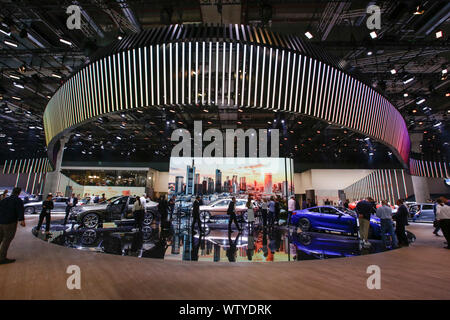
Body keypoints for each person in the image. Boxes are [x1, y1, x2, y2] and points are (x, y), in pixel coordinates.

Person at [0, 187, 25, 265]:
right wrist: (22, 220)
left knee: (0, 238)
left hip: (1, 221)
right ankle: (2, 258)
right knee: (7, 239)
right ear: (19, 192)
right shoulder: (18, 200)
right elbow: (20, 210)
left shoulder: (4, 200)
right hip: (10, 222)